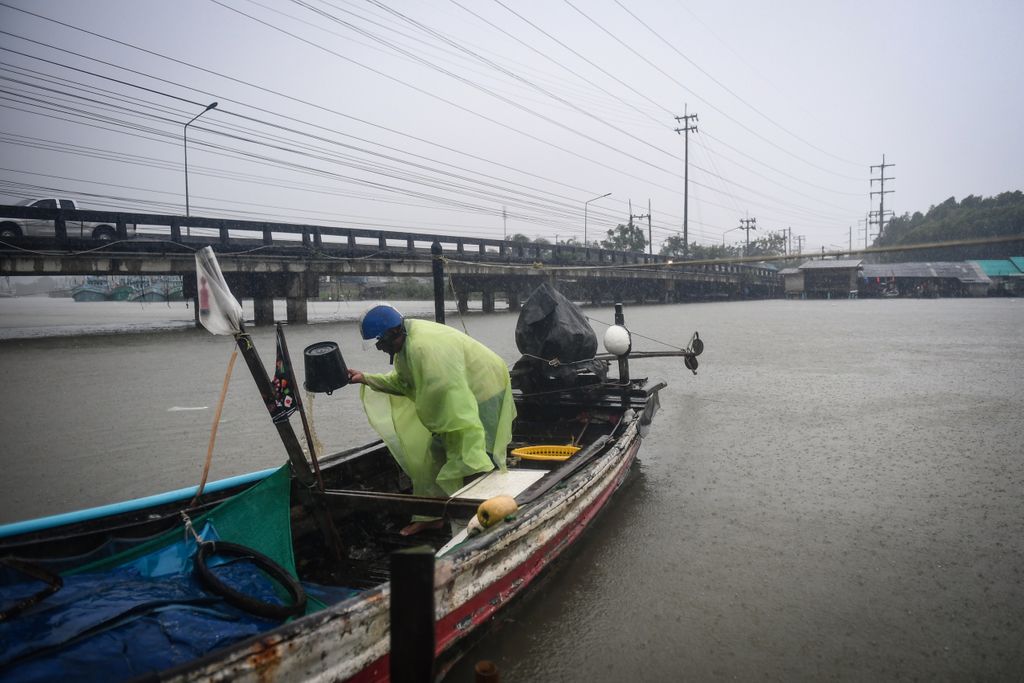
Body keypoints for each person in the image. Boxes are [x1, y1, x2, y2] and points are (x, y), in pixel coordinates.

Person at [347, 304, 516, 535]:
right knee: (437, 455)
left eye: (380, 342)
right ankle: (432, 515)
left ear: (394, 334)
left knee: (473, 454)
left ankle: (486, 514)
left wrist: (448, 430)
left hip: (485, 386)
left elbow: (453, 400)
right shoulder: (406, 346)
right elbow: (404, 383)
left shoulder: (423, 348)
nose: (379, 347)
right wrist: (365, 378)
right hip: (460, 389)